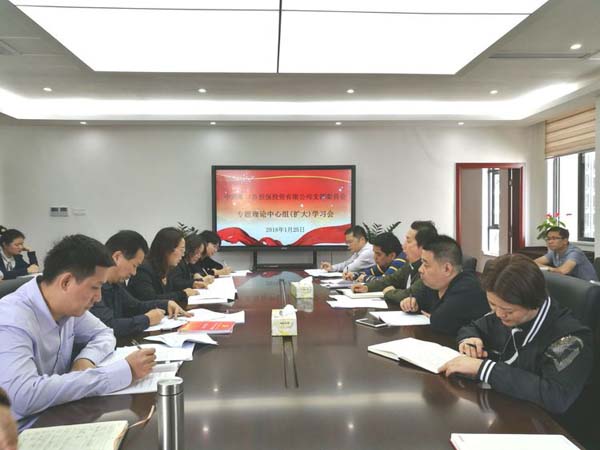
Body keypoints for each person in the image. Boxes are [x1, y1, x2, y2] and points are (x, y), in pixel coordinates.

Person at [0, 234, 157, 424]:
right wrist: (121, 372)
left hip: (60, 413)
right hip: (21, 429)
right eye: (95, 287)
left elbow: (105, 333)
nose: (98, 298)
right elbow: (22, 397)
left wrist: (86, 359)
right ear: (66, 282)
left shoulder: (68, 308)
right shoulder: (11, 318)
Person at [440, 253, 593, 414]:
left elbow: (556, 396)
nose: (498, 314)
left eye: (508, 310)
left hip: (543, 422)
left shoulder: (571, 338)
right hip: (503, 406)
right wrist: (469, 339)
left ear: (534, 303)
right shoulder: (504, 310)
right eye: (492, 304)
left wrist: (485, 369)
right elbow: (473, 327)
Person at [90, 230, 191, 338]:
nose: (134, 273)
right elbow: (107, 326)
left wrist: (165, 304)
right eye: (134, 265)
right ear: (117, 257)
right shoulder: (93, 286)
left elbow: (135, 306)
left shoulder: (116, 283)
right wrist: (147, 319)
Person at [399, 235, 489, 335]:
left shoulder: (467, 287)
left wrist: (433, 316)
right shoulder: (437, 283)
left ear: (447, 269)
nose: (420, 269)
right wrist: (412, 304)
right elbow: (420, 301)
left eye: (426, 264)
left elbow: (439, 321)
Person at [352, 221, 437, 303]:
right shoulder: (409, 265)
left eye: (408, 241)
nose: (403, 246)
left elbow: (409, 294)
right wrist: (366, 287)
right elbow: (390, 279)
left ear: (423, 246)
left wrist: (389, 292)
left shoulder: (429, 269)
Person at [128, 227, 197, 302]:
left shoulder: (167, 267)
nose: (183, 254)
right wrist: (182, 294)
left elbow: (174, 288)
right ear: (167, 249)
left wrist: (192, 284)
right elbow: (149, 299)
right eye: (181, 250)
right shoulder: (143, 269)